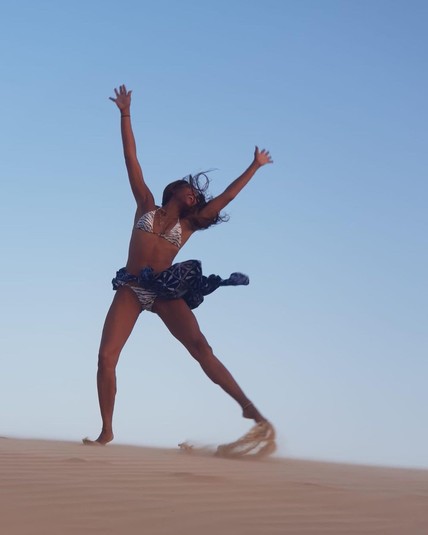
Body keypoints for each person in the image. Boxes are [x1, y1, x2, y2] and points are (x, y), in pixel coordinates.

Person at [83, 85, 274, 454]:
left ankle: (250, 410)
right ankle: (106, 431)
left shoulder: (188, 225)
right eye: (191, 191)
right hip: (132, 287)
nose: (195, 196)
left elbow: (227, 197)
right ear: (175, 190)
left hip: (165, 289)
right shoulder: (146, 205)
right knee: (106, 357)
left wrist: (254, 166)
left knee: (201, 347)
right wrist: (125, 113)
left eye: (197, 198)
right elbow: (130, 157)